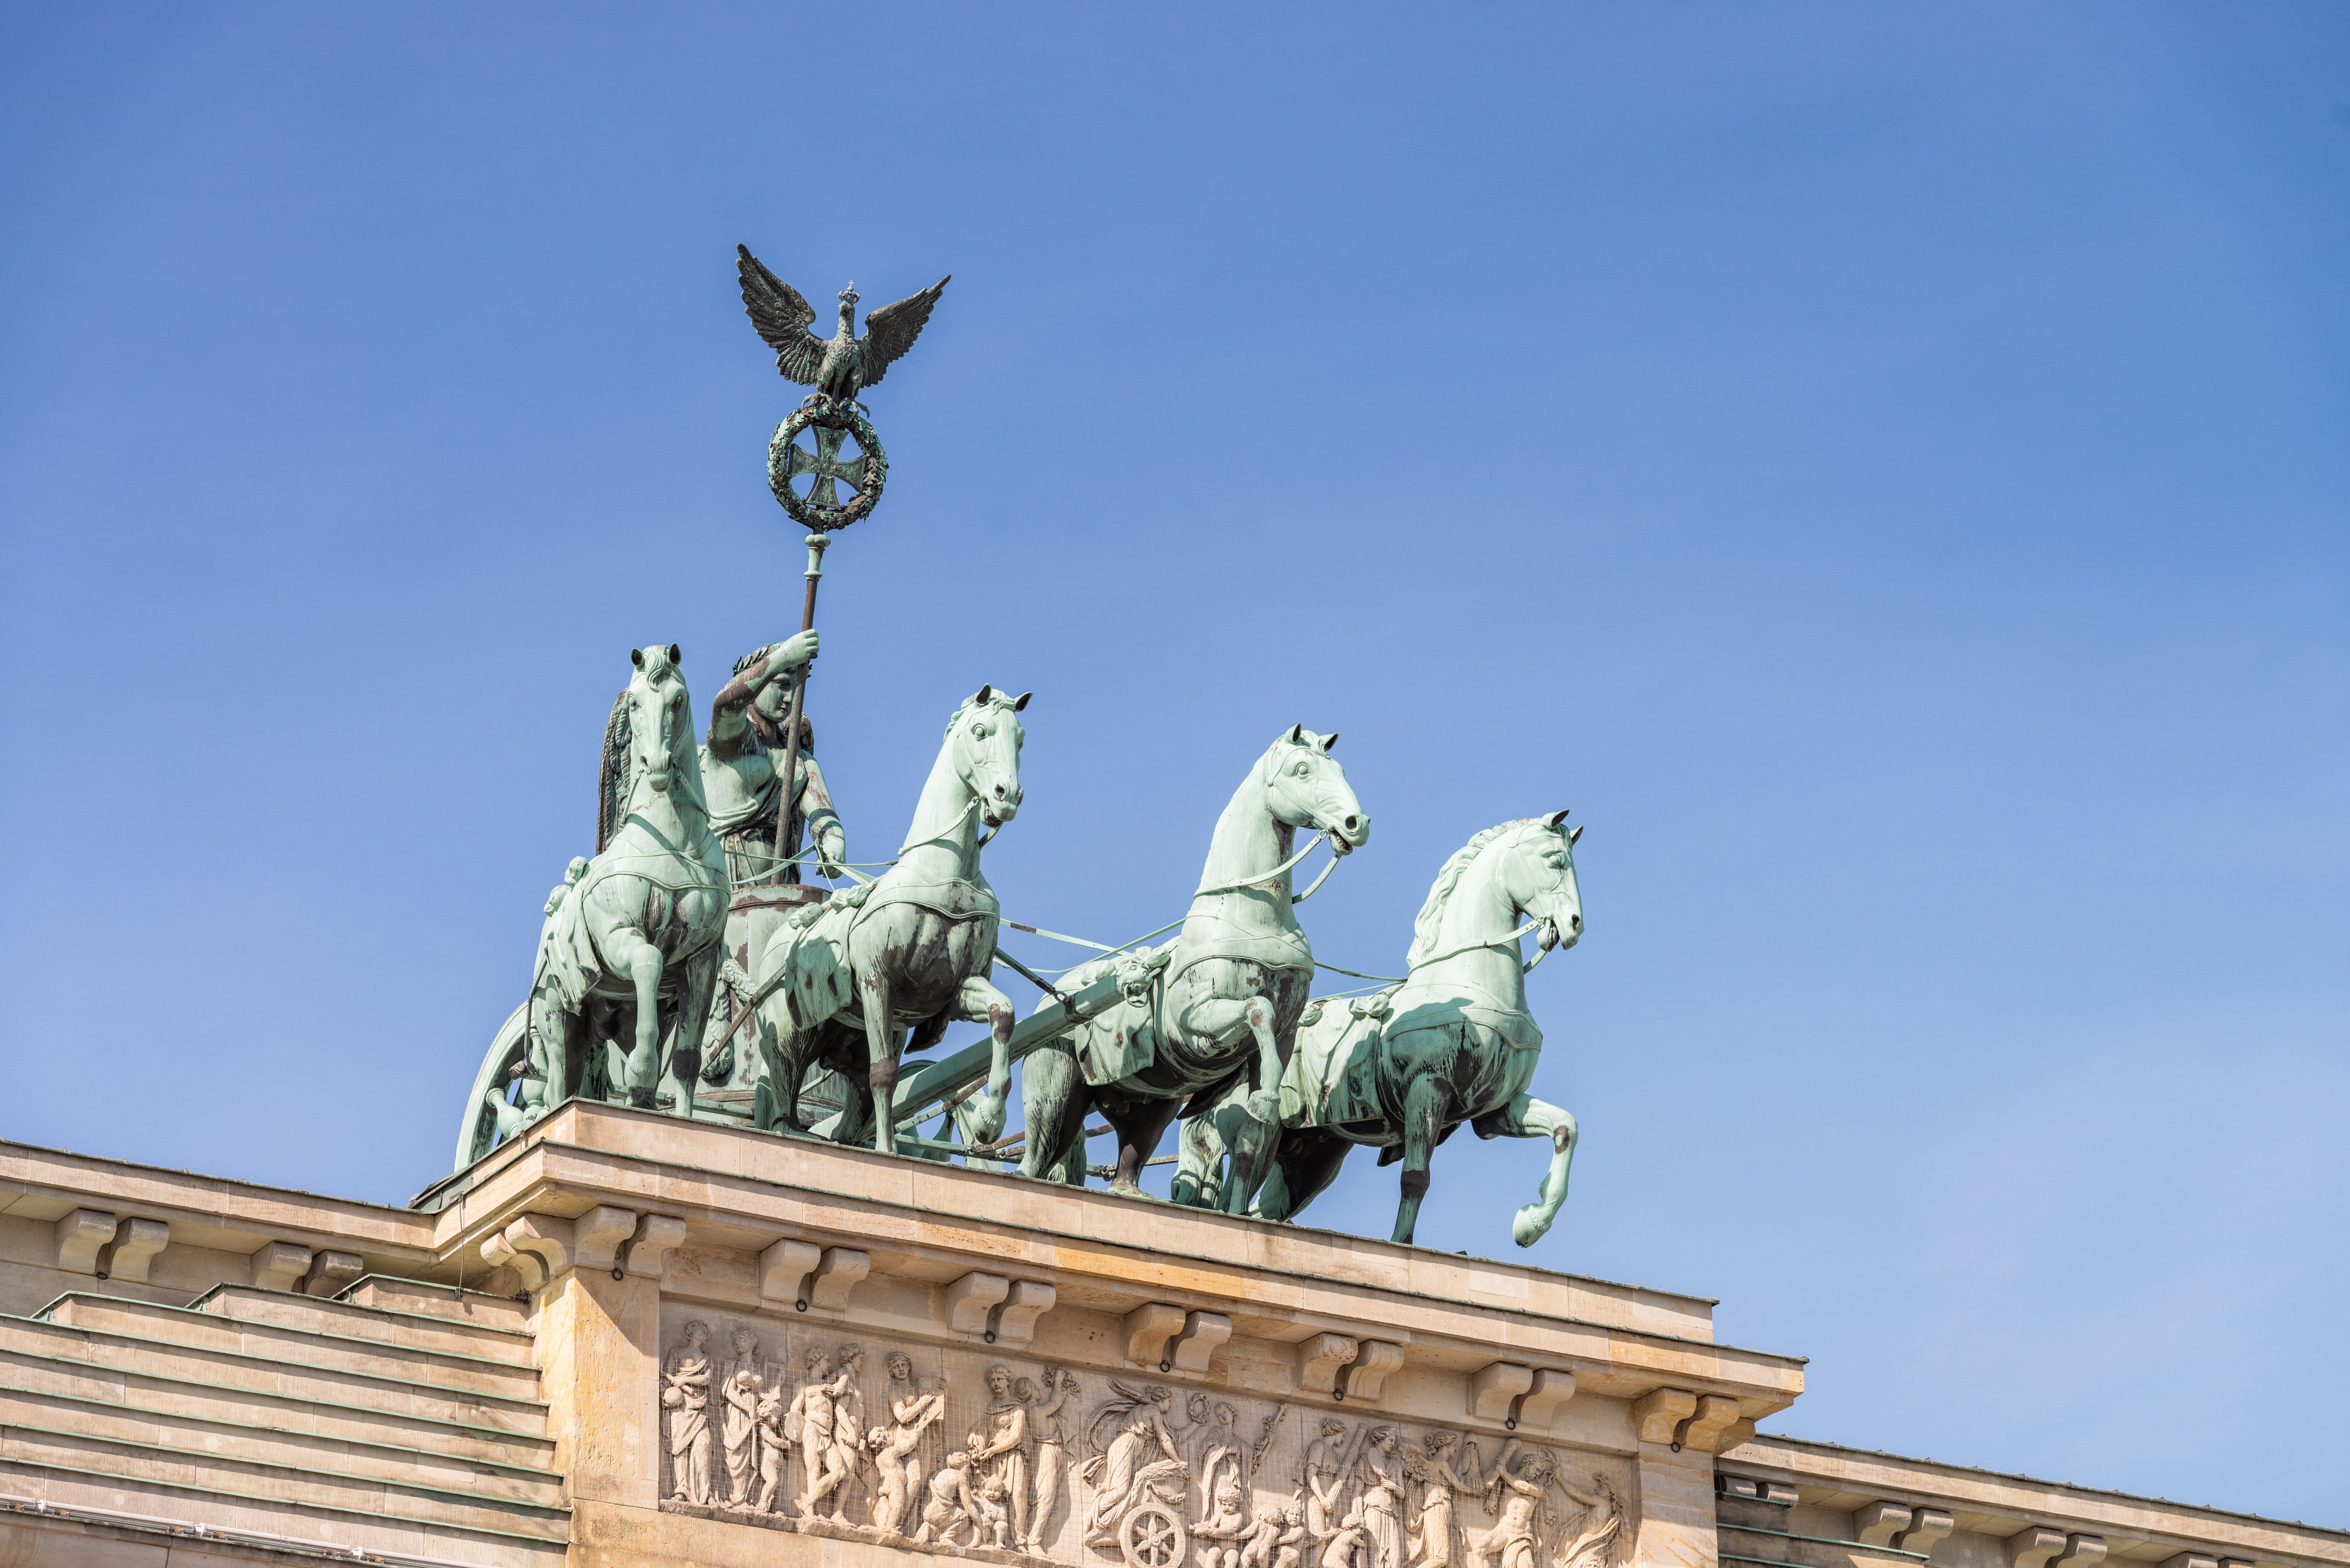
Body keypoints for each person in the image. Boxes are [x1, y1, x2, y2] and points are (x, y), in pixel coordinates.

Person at [702, 631, 846, 886]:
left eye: (797, 688)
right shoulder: (731, 741)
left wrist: (833, 841)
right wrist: (782, 658)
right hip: (723, 883)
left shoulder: (799, 760)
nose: (791, 698)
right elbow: (724, 704)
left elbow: (822, 813)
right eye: (782, 684)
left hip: (781, 886)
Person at [976, 1364, 1032, 1549]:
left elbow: (1016, 1437)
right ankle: (995, 1539)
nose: (996, 1384)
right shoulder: (990, 1408)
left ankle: (1020, 1540)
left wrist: (993, 1450)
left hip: (1013, 1456)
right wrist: (975, 1441)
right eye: (992, 1381)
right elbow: (982, 1432)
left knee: (1018, 1493)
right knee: (995, 1496)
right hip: (994, 1460)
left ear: (1008, 1381)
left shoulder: (1017, 1407)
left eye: (999, 1379)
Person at [1026, 1369, 1079, 1555]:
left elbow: (1062, 1412)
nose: (1037, 1388)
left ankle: (1034, 1538)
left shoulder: (1045, 1413)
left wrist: (1068, 1390)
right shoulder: (1034, 1411)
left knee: (1060, 1502)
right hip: (1046, 1453)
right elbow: (1056, 1402)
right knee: (1046, 1497)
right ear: (1029, 1393)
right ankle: (1033, 1541)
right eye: (1033, 1387)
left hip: (1056, 1454)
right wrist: (1058, 1380)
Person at [662, 1322, 714, 1504]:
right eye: (701, 1329)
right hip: (679, 1407)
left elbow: (707, 1378)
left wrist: (683, 1379)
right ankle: (681, 1489)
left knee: (704, 1444)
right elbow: (666, 1375)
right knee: (680, 1448)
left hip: (699, 1407)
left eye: (706, 1332)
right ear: (690, 1332)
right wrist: (668, 1397)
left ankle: (705, 1492)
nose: (704, 1333)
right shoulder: (676, 1351)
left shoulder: (707, 1358)